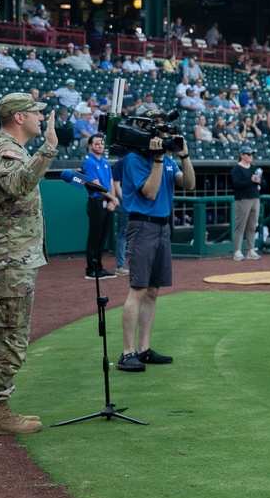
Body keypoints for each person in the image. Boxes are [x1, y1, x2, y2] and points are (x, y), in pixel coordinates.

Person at [0, 92, 58, 435]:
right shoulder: (3, 149)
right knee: (8, 337)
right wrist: (49, 147)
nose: (42, 118)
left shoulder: (9, 148)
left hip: (10, 259)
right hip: (5, 261)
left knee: (10, 333)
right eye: (36, 113)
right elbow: (18, 183)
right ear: (19, 117)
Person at [115, 122, 196, 372]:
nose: (164, 138)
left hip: (162, 227)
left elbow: (190, 184)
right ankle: (127, 352)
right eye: (160, 134)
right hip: (142, 225)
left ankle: (144, 349)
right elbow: (149, 192)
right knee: (138, 289)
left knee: (153, 290)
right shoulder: (134, 159)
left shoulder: (168, 160)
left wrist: (184, 155)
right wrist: (159, 159)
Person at [82, 135, 118, 279]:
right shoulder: (89, 163)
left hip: (106, 202)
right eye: (97, 144)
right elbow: (97, 186)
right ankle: (91, 269)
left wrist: (111, 201)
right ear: (90, 146)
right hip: (96, 202)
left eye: (102, 143)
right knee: (95, 237)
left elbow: (110, 181)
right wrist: (113, 198)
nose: (100, 146)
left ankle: (99, 267)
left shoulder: (106, 163)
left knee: (102, 237)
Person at [232, 147, 263, 261]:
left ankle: (250, 249)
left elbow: (263, 183)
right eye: (248, 154)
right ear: (242, 155)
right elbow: (236, 184)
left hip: (255, 198)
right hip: (242, 199)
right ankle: (237, 251)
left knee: (252, 225)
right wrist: (251, 180)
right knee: (240, 225)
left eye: (251, 154)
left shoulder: (254, 168)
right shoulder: (237, 169)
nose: (250, 155)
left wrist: (258, 180)